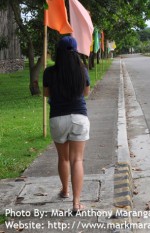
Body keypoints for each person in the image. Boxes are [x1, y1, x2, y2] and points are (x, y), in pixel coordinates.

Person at [43, 36, 90, 214]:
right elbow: (86, 92)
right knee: (77, 159)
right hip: (79, 116)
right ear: (76, 51)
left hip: (57, 118)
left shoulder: (49, 72)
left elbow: (46, 94)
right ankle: (76, 203)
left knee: (63, 158)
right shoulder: (82, 70)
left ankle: (65, 191)